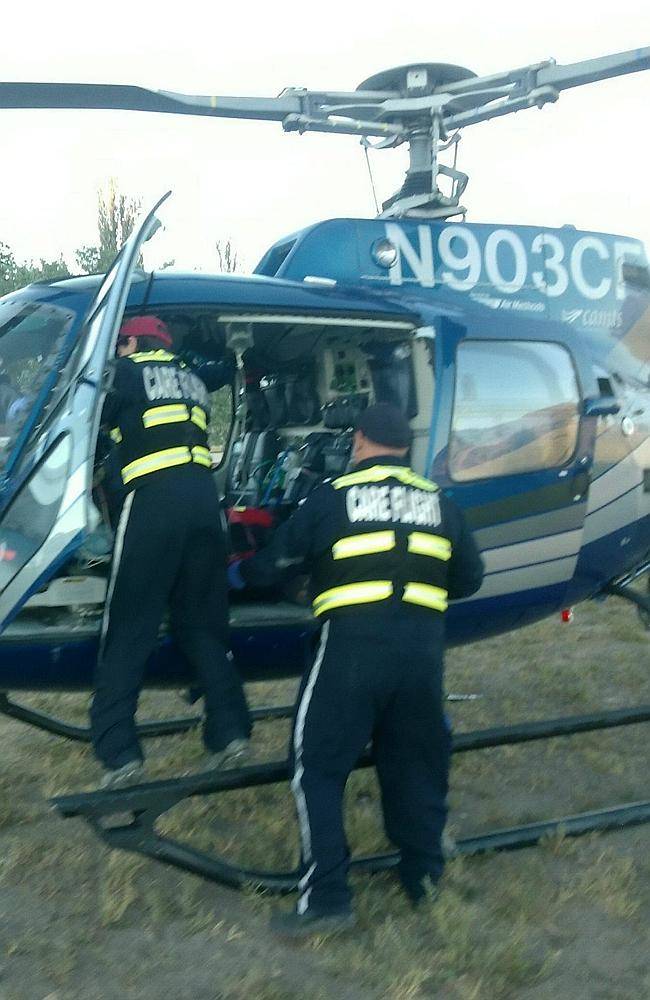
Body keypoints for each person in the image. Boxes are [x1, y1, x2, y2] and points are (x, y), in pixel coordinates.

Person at [229, 402, 484, 937]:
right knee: (416, 764)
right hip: (421, 658)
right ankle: (424, 880)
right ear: (405, 448)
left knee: (317, 768)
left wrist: (236, 574)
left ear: (360, 441)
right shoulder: (442, 504)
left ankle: (327, 900)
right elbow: (468, 580)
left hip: (350, 653)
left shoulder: (332, 497)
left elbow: (273, 564)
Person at [91, 314, 251, 789]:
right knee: (203, 626)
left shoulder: (122, 373)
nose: (118, 349)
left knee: (128, 626)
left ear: (134, 341)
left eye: (120, 342)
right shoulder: (193, 377)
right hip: (205, 506)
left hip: (153, 503)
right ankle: (230, 733)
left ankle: (119, 753)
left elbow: (87, 424)